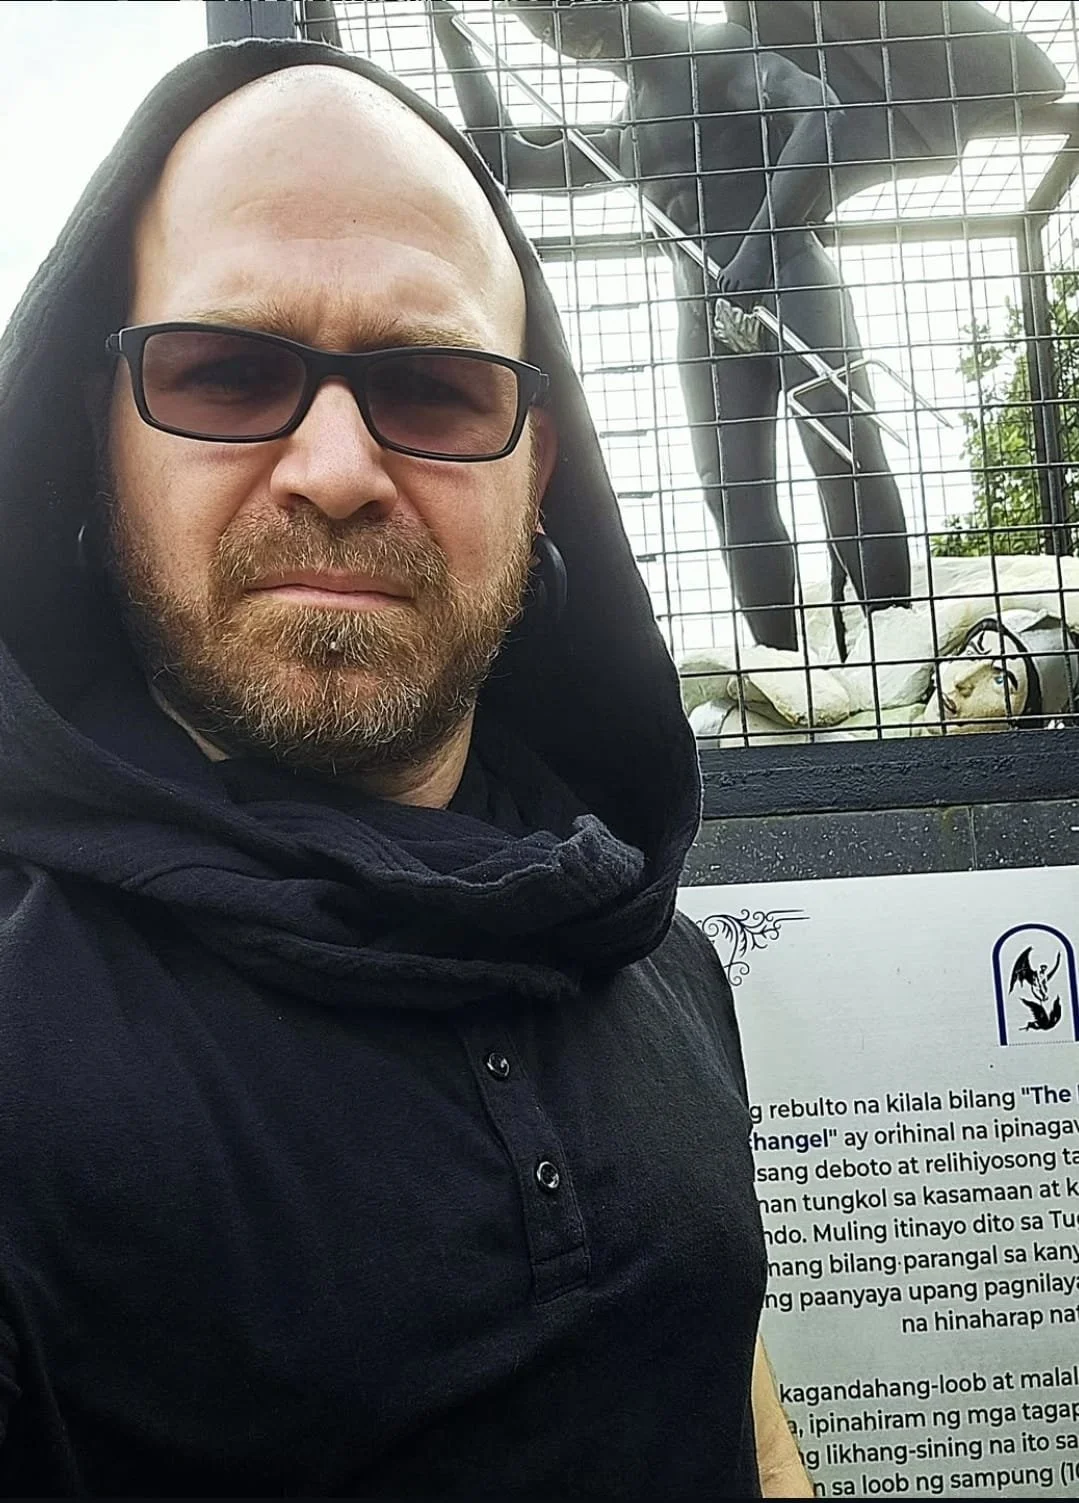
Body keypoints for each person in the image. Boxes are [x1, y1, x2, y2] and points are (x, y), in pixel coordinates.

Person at [0, 34, 810, 1500]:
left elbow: (738, 1413)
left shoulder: (647, 950)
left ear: (534, 463)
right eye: (229, 371)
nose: (333, 464)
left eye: (431, 385)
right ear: (92, 437)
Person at [433, 0, 912, 653]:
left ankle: (898, 637)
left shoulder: (712, 51)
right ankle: (783, 664)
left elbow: (820, 111)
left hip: (787, 280)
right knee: (730, 492)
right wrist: (451, 38)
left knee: (842, 451)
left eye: (559, 25)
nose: (562, 45)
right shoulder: (629, 125)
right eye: (544, 36)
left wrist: (756, 250)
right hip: (705, 317)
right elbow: (506, 161)